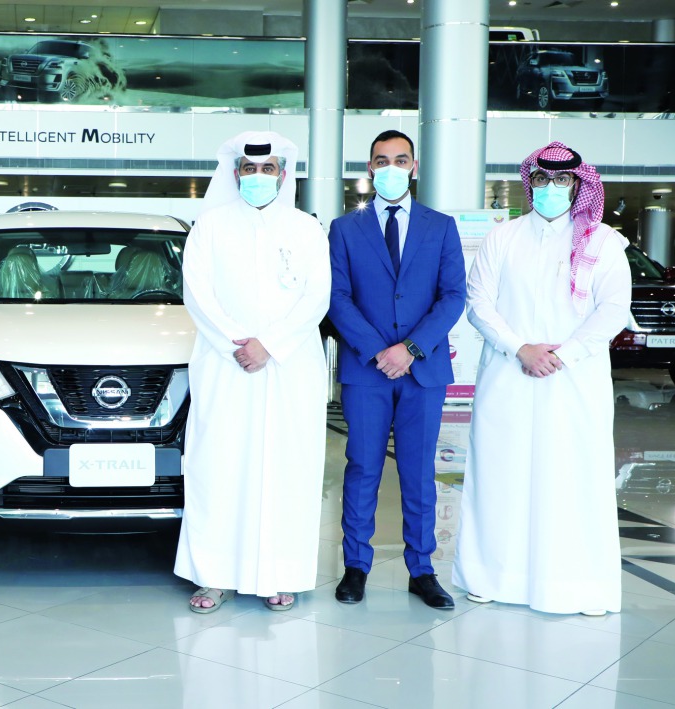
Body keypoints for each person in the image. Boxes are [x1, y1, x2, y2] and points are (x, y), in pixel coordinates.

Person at [454, 142, 630, 615]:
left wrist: (564, 355)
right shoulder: (503, 237)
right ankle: (492, 576)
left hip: (575, 381)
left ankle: (578, 585)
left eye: (563, 180)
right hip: (509, 375)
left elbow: (613, 309)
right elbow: (479, 304)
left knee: (571, 478)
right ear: (530, 182)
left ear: (579, 184)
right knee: (500, 476)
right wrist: (522, 349)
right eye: (543, 180)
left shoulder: (603, 242)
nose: (552, 189)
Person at [174, 131, 330, 613]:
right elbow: (196, 293)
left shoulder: (306, 228)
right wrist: (236, 344)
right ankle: (213, 575)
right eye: (248, 169)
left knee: (287, 469)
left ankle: (281, 574)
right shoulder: (211, 226)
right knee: (220, 466)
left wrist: (271, 346)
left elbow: (316, 296)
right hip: (226, 367)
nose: (258, 177)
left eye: (267, 170)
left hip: (288, 366)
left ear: (283, 175)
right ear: (235, 173)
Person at [327, 130, 466, 610]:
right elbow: (337, 298)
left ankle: (422, 571)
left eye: (399, 159)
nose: (390, 167)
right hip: (366, 371)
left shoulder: (440, 226)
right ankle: (355, 567)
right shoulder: (345, 228)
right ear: (369, 167)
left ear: (415, 165)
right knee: (363, 467)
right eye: (381, 159)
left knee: (418, 472)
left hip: (422, 370)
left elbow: (453, 297)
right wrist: (378, 350)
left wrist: (409, 348)